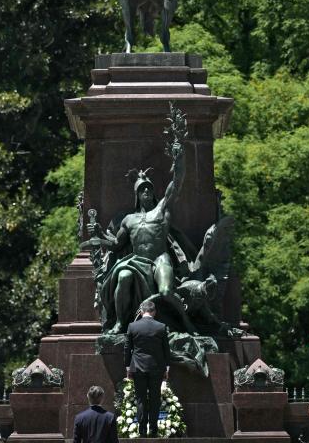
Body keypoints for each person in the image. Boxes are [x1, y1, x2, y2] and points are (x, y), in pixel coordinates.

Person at [99, 139, 186, 334]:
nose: (146, 190)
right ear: (137, 195)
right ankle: (121, 323)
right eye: (141, 189)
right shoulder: (129, 219)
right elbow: (116, 244)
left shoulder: (162, 209)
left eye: (148, 188)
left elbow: (177, 182)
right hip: (136, 261)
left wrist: (179, 159)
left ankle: (186, 322)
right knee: (123, 276)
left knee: (165, 292)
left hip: (159, 260)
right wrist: (99, 234)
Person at [124, 299, 171, 437]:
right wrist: (167, 368)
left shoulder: (132, 326)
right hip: (157, 368)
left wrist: (128, 367)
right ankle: (154, 431)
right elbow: (166, 350)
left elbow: (127, 348)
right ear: (154, 312)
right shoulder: (161, 327)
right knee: (155, 399)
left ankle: (142, 431)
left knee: (141, 399)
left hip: (137, 368)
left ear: (142, 311)